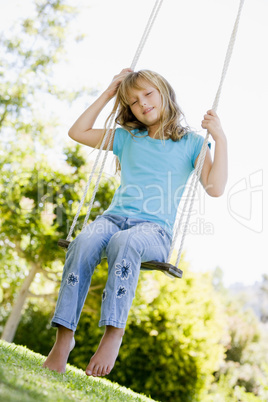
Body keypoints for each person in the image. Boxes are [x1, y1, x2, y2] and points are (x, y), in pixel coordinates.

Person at [42, 68, 228, 377]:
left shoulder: (192, 143)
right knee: (85, 241)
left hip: (153, 230)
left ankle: (113, 333)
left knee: (124, 242)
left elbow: (216, 188)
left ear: (164, 93)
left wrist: (220, 138)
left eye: (148, 94)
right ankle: (64, 339)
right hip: (113, 218)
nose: (142, 103)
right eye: (132, 101)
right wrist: (108, 93)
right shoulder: (128, 138)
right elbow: (77, 132)